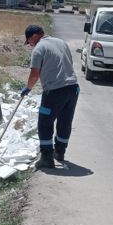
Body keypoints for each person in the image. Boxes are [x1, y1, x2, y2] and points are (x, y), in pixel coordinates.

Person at [21, 25, 79, 169]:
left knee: (44, 123)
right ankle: (60, 152)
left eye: (29, 42)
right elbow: (68, 63)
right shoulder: (61, 42)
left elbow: (35, 73)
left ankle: (47, 157)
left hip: (54, 92)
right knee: (65, 122)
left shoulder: (39, 48)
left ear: (34, 36)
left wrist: (28, 88)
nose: (30, 45)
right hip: (73, 89)